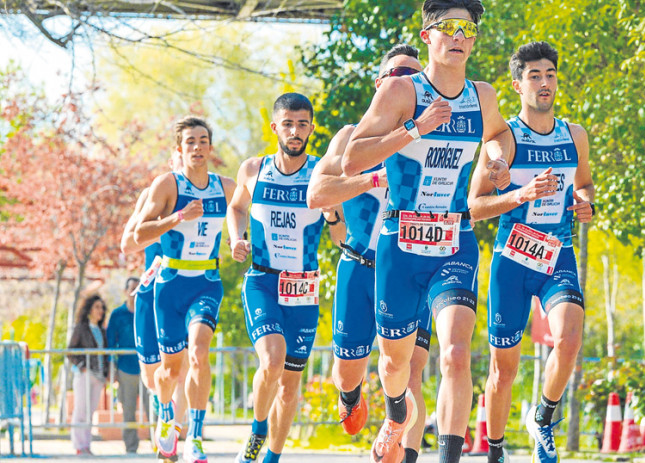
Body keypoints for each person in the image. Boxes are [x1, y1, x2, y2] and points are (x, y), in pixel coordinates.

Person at [342, 1, 513, 462]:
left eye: (467, 29)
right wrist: (414, 129)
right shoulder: (402, 92)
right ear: (428, 36)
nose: (459, 36)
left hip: (454, 240)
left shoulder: (483, 96)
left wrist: (496, 162)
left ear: (473, 39)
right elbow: (352, 158)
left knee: (456, 353)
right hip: (400, 243)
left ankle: (448, 457)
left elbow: (499, 133)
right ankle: (397, 414)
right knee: (396, 363)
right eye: (448, 28)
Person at [467, 41, 595, 463]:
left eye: (550, 75)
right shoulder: (504, 139)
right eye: (535, 76)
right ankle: (496, 449)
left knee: (570, 338)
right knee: (504, 370)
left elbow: (586, 184)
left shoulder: (574, 135)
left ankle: (543, 418)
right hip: (513, 259)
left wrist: (585, 202)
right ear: (517, 83)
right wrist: (519, 194)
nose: (544, 83)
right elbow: (474, 208)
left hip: (558, 253)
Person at [306, 43, 431, 463]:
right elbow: (316, 194)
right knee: (348, 371)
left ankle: (402, 443)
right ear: (380, 84)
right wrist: (369, 179)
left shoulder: (433, 136)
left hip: (414, 266)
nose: (406, 82)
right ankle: (351, 397)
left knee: (410, 370)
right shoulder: (349, 138)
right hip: (360, 266)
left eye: (414, 75)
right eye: (397, 73)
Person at [227, 92, 344, 463]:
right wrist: (236, 239)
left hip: (304, 287)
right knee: (272, 360)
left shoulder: (322, 174)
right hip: (263, 280)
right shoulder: (253, 169)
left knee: (291, 384)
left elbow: (341, 239)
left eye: (303, 124)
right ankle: (258, 427)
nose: (295, 131)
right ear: (275, 127)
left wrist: (331, 215)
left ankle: (272, 456)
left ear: (311, 127)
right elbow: (236, 207)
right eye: (288, 124)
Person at [135, 116, 236, 463]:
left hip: (207, 282)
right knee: (170, 370)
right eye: (190, 142)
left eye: (203, 141)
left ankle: (194, 435)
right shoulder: (167, 185)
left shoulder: (226, 187)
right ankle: (166, 414)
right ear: (179, 149)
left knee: (199, 352)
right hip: (171, 285)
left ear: (210, 147)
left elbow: (246, 217)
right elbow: (139, 235)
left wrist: (241, 242)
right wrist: (179, 217)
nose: (197, 147)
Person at [121, 149, 191, 449]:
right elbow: (127, 243)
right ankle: (167, 418)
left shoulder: (206, 196)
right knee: (153, 380)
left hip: (189, 286)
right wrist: (170, 221)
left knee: (185, 366)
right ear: (171, 163)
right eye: (180, 163)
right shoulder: (152, 194)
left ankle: (176, 437)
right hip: (151, 287)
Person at [106, 277, 151, 453]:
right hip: (126, 369)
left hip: (149, 368)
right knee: (128, 410)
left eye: (138, 288)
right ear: (126, 291)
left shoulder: (147, 311)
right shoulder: (117, 314)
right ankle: (131, 447)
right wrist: (112, 370)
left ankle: (159, 445)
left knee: (153, 410)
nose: (135, 292)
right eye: (132, 289)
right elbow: (110, 343)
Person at [68, 294, 109, 456]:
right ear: (89, 309)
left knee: (90, 411)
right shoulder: (81, 328)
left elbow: (104, 353)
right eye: (97, 307)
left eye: (102, 307)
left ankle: (86, 445)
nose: (100, 311)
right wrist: (82, 366)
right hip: (84, 374)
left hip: (98, 376)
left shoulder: (101, 330)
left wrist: (105, 373)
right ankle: (79, 445)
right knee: (81, 410)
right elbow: (71, 351)